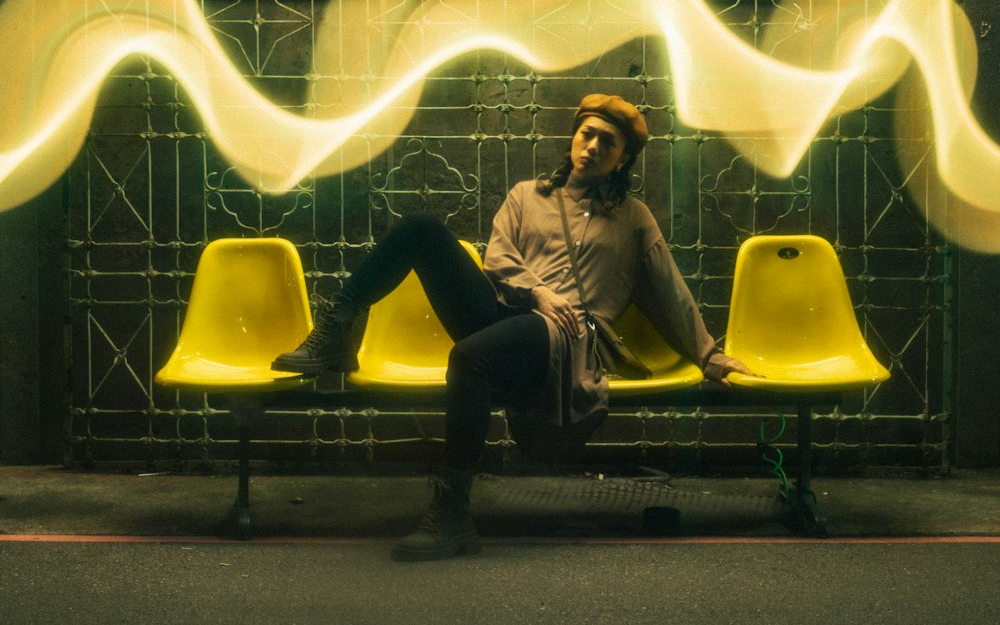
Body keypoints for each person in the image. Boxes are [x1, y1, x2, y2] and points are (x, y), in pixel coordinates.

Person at [272, 94, 751, 560]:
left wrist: (709, 355)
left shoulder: (632, 219)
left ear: (622, 160)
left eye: (608, 144)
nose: (593, 147)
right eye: (588, 135)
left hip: (566, 335)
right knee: (419, 228)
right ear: (573, 136)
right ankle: (335, 332)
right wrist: (536, 290)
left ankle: (453, 512)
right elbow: (497, 257)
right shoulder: (529, 194)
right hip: (507, 311)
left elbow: (669, 288)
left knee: (468, 357)